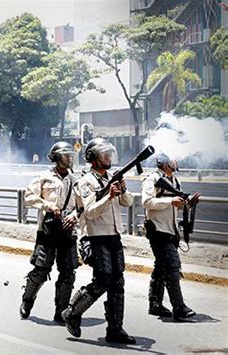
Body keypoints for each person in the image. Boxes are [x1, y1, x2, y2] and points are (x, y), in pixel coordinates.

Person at [62, 138, 136, 344]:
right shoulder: (86, 182)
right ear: (93, 158)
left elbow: (128, 203)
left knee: (117, 281)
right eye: (104, 154)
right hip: (95, 237)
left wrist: (123, 190)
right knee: (103, 279)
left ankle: (115, 328)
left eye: (109, 154)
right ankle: (72, 312)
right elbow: (91, 212)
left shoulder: (112, 177)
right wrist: (108, 196)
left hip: (113, 235)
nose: (108, 158)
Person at [20, 142, 79, 323]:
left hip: (68, 232)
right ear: (56, 157)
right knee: (41, 270)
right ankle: (27, 300)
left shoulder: (75, 180)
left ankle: (61, 311)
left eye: (71, 155)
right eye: (65, 155)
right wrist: (48, 205)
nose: (69, 159)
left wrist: (75, 215)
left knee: (68, 272)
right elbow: (28, 197)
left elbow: (82, 206)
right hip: (48, 231)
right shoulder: (44, 177)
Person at [142, 153, 200, 321]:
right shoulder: (152, 179)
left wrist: (189, 203)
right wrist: (170, 202)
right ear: (164, 163)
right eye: (173, 160)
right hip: (158, 230)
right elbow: (146, 202)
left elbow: (178, 204)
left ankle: (155, 304)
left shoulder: (174, 180)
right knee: (173, 268)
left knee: (161, 267)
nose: (176, 162)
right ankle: (179, 307)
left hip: (171, 229)